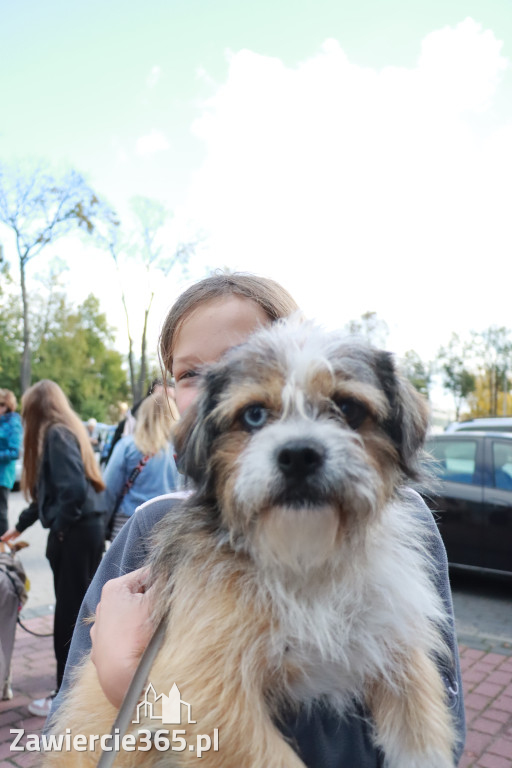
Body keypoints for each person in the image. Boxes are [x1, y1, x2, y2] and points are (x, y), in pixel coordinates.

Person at [49, 273, 466, 765]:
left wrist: (136, 690)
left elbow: (434, 699)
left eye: (346, 410)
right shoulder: (152, 528)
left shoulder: (407, 530)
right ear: (169, 394)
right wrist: (137, 686)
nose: (296, 444)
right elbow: (74, 719)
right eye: (252, 413)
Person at [1, 380, 107, 717]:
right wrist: (18, 528)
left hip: (75, 533)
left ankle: (65, 696)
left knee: (70, 615)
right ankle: (77, 688)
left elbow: (72, 492)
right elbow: (54, 494)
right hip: (83, 529)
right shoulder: (66, 431)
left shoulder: (56, 435)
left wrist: (59, 532)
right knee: (80, 612)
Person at [103, 388, 180, 540]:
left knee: (123, 564)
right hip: (169, 530)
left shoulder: (127, 446)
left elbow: (109, 490)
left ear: (143, 416)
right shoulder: (183, 451)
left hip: (128, 525)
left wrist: (103, 523)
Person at [0, 389, 23, 537]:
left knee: (1, 513)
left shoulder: (13, 423)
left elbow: (15, 452)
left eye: (1, 404)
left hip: (3, 475)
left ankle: (3, 548)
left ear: (8, 405)